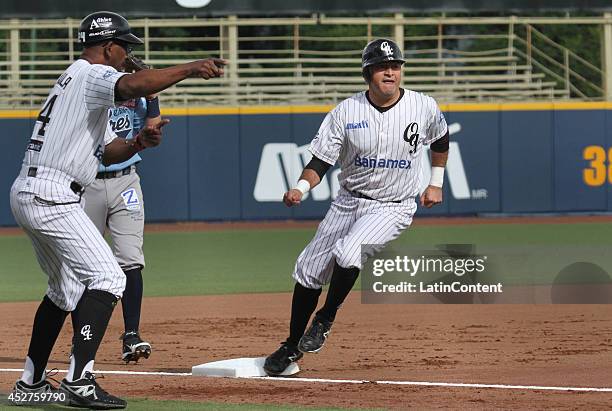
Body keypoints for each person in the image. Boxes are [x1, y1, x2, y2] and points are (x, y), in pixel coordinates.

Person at [9, 11, 225, 409]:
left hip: (35, 189)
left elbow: (108, 150)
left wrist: (140, 141)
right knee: (109, 277)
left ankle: (30, 383)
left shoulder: (78, 84)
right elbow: (134, 83)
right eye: (124, 47)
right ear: (107, 46)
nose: (127, 54)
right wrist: (192, 67)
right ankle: (79, 380)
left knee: (65, 290)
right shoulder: (92, 74)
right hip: (52, 191)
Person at [263, 38, 449, 376]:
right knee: (308, 271)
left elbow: (440, 139)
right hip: (347, 202)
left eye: (395, 65)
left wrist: (436, 181)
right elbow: (321, 161)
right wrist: (300, 187)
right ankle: (291, 346)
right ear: (368, 73)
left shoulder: (422, 106)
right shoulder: (346, 112)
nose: (390, 71)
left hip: (393, 205)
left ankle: (325, 319)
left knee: (348, 254)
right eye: (381, 66)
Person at [83, 54, 158, 364]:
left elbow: (153, 129)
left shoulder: (134, 93)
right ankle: (83, 336)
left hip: (126, 181)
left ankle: (131, 335)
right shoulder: (89, 88)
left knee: (130, 258)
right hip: (87, 181)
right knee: (84, 262)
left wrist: (152, 94)